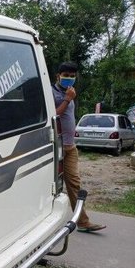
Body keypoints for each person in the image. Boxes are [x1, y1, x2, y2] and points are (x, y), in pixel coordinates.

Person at [52, 61, 106, 232]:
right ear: (58, 76)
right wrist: (67, 100)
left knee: (74, 184)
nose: (69, 79)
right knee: (50, 186)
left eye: (72, 76)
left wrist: (69, 98)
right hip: (55, 148)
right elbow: (51, 116)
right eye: (66, 75)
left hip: (70, 147)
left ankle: (82, 221)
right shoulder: (51, 92)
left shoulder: (71, 92)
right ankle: (46, 223)